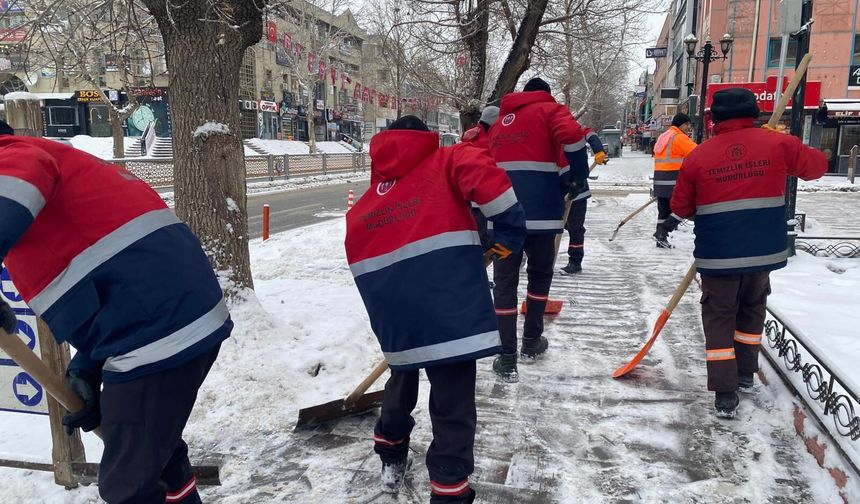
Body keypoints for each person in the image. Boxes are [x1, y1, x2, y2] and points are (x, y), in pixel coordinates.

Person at [0, 122, 231, 503]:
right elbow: (112, 270)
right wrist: (85, 370)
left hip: (157, 332)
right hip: (161, 319)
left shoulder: (14, 156)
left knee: (129, 486)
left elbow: (22, 179)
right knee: (155, 453)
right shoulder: (59, 164)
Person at [345, 115, 526, 503]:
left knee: (402, 376)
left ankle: (391, 454)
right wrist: (506, 237)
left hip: (395, 314)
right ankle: (448, 490)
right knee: (452, 402)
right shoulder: (449, 159)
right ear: (423, 138)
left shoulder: (366, 204)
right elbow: (492, 186)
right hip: (446, 310)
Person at [671, 88, 827, 419]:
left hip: (718, 255)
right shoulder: (778, 145)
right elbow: (817, 167)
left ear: (714, 118)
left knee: (719, 317)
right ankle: (745, 373)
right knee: (752, 310)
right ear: (754, 113)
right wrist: (788, 144)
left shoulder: (698, 156)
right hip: (762, 253)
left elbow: (681, 207)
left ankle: (725, 393)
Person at [488, 77, 589, 382]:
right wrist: (578, 176)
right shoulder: (550, 111)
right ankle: (531, 342)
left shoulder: (500, 122)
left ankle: (506, 356)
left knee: (504, 284)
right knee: (539, 277)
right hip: (543, 222)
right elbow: (573, 137)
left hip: (505, 225)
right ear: (545, 95)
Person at [560, 127, 608, 275]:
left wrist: (598, 150)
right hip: (556, 191)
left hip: (578, 192)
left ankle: (575, 261)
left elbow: (591, 134)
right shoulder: (545, 131)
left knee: (575, 228)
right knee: (551, 228)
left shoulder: (572, 128)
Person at [652, 113, 697, 248]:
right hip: (673, 179)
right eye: (687, 124)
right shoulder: (679, 138)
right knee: (683, 208)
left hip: (660, 179)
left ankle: (661, 240)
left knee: (664, 211)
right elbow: (697, 153)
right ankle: (662, 232)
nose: (689, 127)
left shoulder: (663, 136)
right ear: (681, 125)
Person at [462, 105, 501, 252]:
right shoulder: (491, 139)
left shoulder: (469, 135)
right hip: (484, 197)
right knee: (485, 240)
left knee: (474, 237)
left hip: (467, 196)